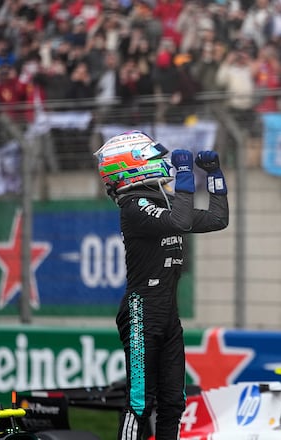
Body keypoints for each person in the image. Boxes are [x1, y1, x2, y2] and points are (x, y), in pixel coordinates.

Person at [94, 131, 229, 440]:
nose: (162, 162)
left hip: (167, 313)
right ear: (131, 165)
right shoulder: (134, 205)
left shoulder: (163, 205)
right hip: (142, 312)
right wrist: (185, 174)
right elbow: (181, 221)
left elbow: (218, 219)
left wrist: (214, 176)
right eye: (154, 157)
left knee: (173, 402)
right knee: (140, 402)